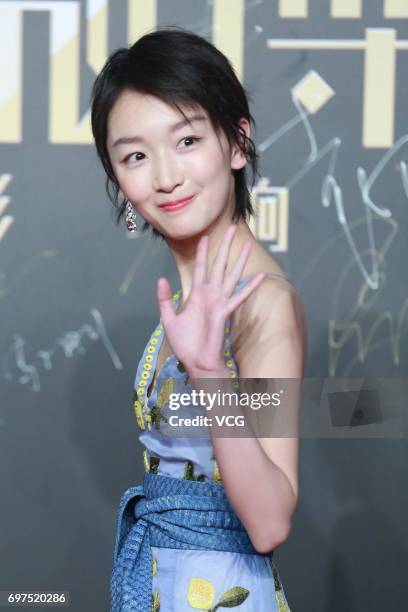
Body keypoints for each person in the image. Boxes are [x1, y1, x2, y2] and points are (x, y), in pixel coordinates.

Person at [91, 27, 307, 612]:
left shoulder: (262, 303)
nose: (164, 176)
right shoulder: (193, 298)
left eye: (186, 141)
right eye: (135, 155)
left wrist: (209, 370)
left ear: (237, 143)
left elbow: (268, 521)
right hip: (162, 582)